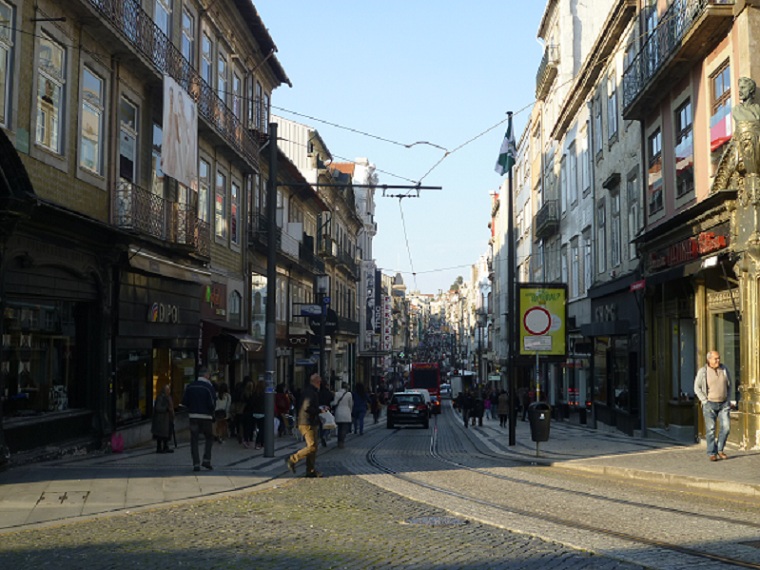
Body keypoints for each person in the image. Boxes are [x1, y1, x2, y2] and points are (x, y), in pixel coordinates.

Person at [694, 350, 734, 462]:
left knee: (726, 428)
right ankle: (712, 452)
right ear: (709, 359)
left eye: (719, 358)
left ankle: (720, 450)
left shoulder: (724, 369)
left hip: (723, 404)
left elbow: (729, 385)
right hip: (710, 404)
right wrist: (704, 401)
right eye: (715, 358)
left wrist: (728, 398)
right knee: (710, 430)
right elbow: (697, 388)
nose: (718, 360)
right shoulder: (703, 371)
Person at [286, 372, 323, 478]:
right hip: (307, 422)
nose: (320, 383)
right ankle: (292, 459)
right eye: (319, 381)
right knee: (312, 447)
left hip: (307, 421)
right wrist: (318, 411)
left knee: (314, 447)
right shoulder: (310, 392)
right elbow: (307, 407)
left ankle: (310, 471)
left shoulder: (308, 391)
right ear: (316, 382)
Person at [181, 366, 216, 472]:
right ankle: (206, 459)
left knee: (194, 439)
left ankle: (196, 463)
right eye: (209, 374)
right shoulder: (209, 387)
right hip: (206, 417)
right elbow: (212, 403)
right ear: (206, 375)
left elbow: (184, 402)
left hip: (193, 417)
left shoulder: (190, 386)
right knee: (209, 437)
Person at [152, 384, 174, 453]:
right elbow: (158, 408)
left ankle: (165, 447)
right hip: (161, 420)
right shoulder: (160, 397)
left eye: (169, 389)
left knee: (166, 434)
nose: (169, 391)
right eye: (167, 390)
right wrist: (166, 409)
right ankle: (159, 448)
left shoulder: (168, 397)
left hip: (167, 419)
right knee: (160, 434)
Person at [332, 382, 354, 448]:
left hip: (338, 412)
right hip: (346, 412)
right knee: (344, 428)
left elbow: (335, 403)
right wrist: (350, 411)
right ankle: (342, 441)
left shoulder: (337, 394)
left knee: (339, 428)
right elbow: (351, 404)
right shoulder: (349, 394)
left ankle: (339, 441)